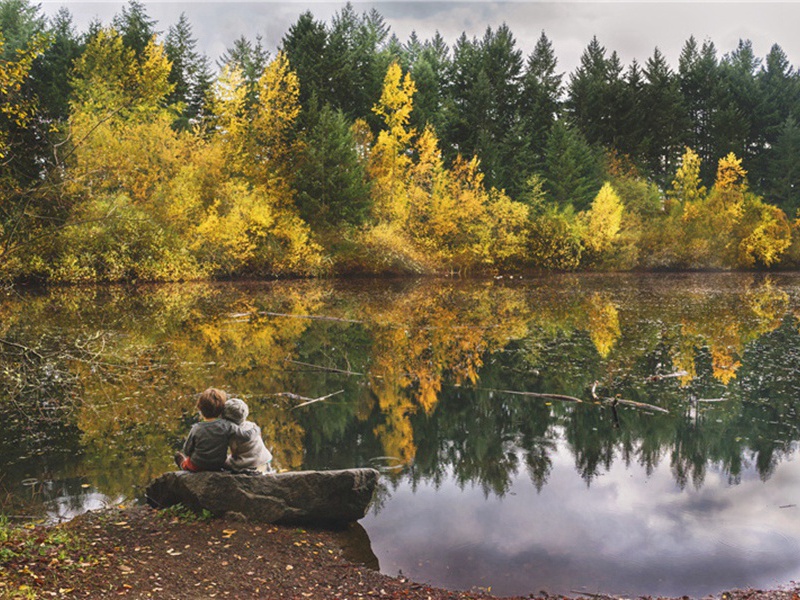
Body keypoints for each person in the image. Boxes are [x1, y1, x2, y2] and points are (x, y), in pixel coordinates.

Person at [175, 387, 242, 472]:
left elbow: (187, 450)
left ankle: (183, 465)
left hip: (197, 465)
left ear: (199, 407)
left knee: (182, 459)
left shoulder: (197, 428)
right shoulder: (228, 426)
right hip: (218, 464)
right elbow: (240, 434)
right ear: (222, 409)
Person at [221, 397, 273, 473]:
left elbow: (234, 453)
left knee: (224, 462)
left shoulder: (233, 433)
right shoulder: (252, 425)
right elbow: (259, 436)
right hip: (264, 460)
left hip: (247, 463)